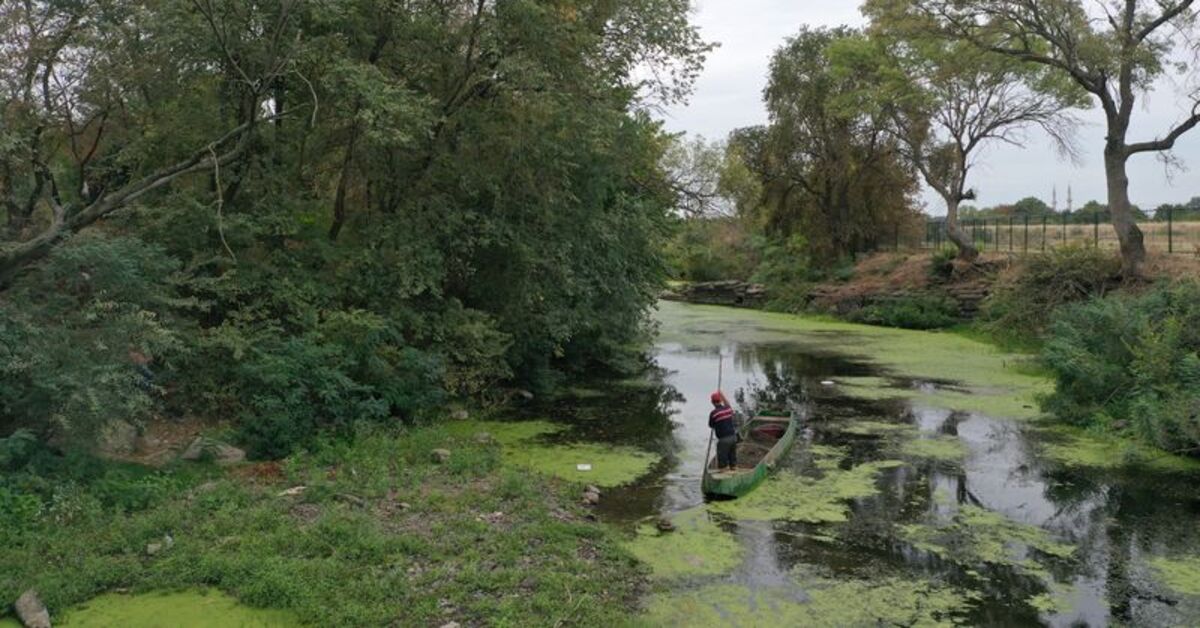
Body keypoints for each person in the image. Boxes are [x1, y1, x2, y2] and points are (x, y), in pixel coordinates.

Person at [708, 391, 737, 470]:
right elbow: (727, 403)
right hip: (734, 438)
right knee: (733, 462)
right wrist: (721, 394)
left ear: (712, 402)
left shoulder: (713, 413)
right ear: (720, 401)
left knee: (723, 465)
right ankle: (733, 470)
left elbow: (711, 425)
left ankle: (723, 476)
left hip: (724, 440)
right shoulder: (728, 409)